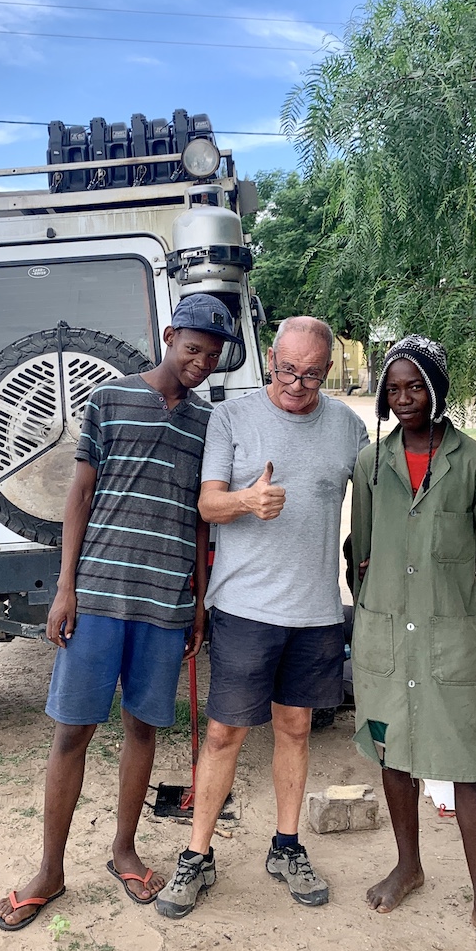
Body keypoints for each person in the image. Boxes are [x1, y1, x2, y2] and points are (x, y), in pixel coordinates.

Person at [0, 294, 242, 931]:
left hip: (165, 604)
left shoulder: (209, 424)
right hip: (99, 596)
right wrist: (65, 587)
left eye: (212, 357)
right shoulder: (108, 400)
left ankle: (124, 851)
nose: (201, 363)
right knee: (71, 733)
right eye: (193, 349)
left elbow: (201, 520)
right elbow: (79, 495)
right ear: (169, 336)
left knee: (142, 730)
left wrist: (197, 602)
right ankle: (49, 870)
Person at [155, 316, 368, 920]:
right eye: (286, 371)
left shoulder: (347, 427)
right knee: (224, 734)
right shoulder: (232, 417)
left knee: (295, 730)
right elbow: (207, 503)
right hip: (246, 608)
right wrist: (247, 500)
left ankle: (286, 846)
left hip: (315, 611)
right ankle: (197, 856)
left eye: (311, 374)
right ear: (270, 359)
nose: (296, 385)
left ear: (329, 370)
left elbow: (389, 487)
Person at [349, 334, 476, 951]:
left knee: (466, 764)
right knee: (391, 752)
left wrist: (430, 569)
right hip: (383, 633)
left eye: (416, 387)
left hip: (449, 633)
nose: (404, 399)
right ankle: (409, 866)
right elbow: (361, 544)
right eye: (394, 388)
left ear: (437, 390)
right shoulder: (371, 464)